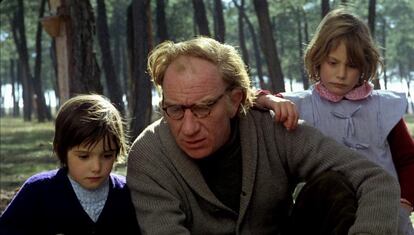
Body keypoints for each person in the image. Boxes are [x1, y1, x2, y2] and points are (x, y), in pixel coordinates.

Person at [126, 36, 400, 234]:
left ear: (235, 100)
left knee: (333, 187)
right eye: (174, 109)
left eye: (203, 108)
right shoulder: (149, 155)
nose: (188, 127)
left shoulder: (271, 128)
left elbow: (374, 178)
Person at [256, 7, 414, 234]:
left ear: (363, 66)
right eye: (333, 62)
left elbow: (408, 159)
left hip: (385, 217)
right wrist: (269, 100)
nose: (341, 74)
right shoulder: (299, 105)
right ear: (318, 59)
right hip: (323, 219)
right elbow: (247, 97)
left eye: (351, 65)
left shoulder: (383, 107)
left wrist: (404, 203)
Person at [0, 94, 140, 235]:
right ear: (61, 150)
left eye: (107, 155)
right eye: (84, 156)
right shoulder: (37, 192)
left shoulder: (128, 194)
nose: (97, 167)